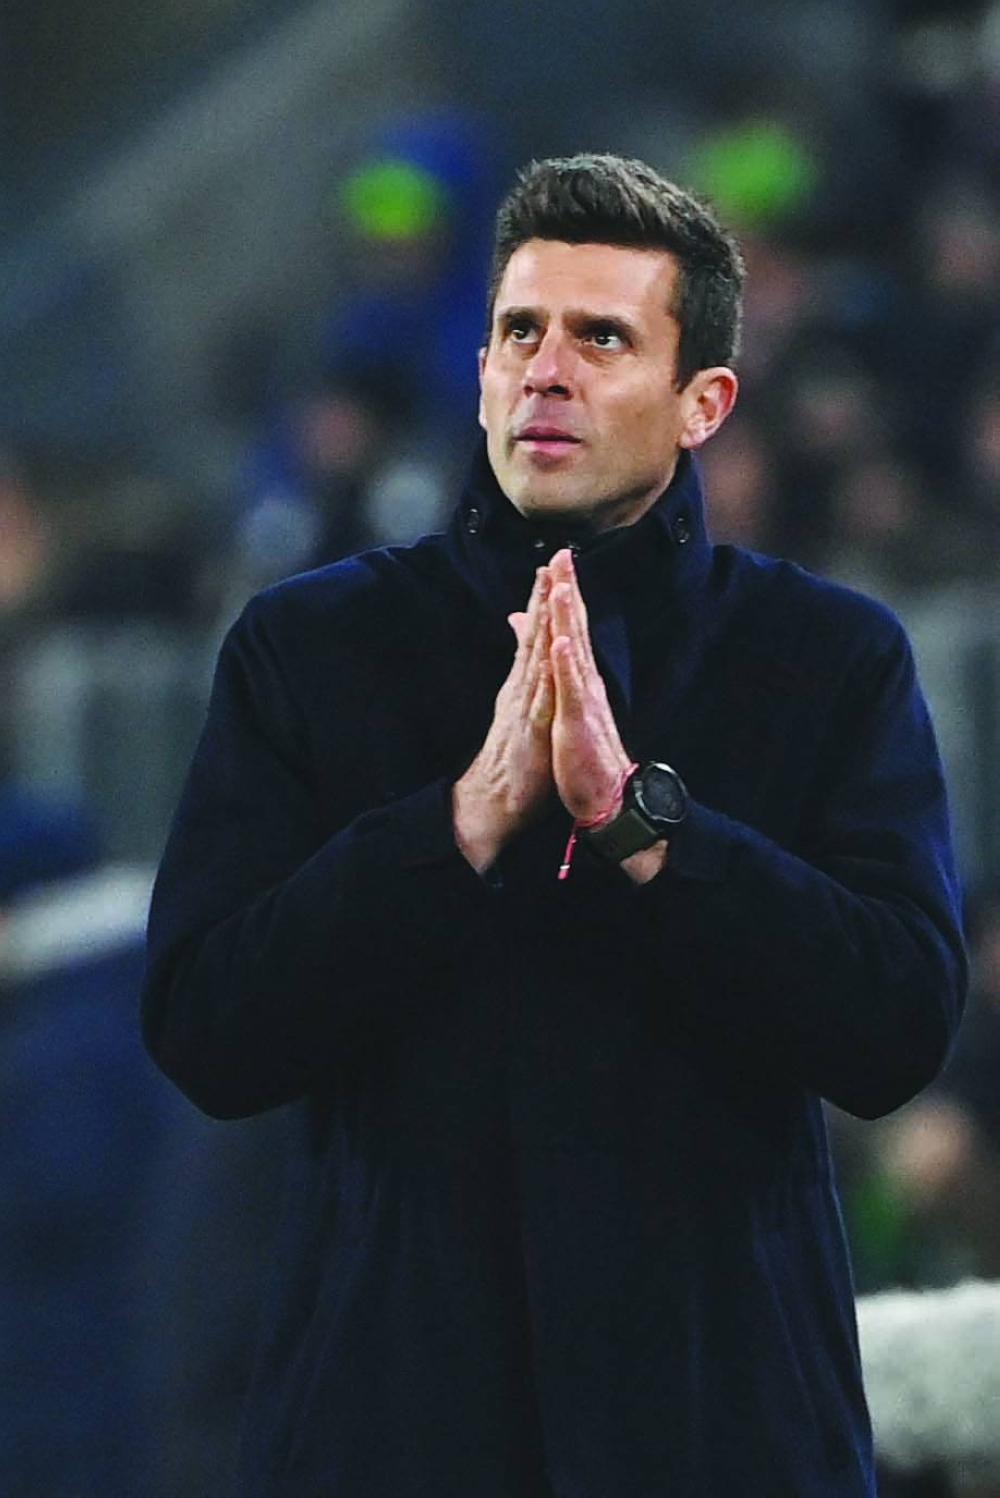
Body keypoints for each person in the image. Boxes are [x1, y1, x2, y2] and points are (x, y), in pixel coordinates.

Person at [142, 154, 967, 1497]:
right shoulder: (310, 648)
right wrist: (451, 829)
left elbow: (896, 1027)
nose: (546, 369)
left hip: (724, 1430)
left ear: (704, 402)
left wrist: (647, 824)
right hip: (395, 1433)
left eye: (601, 337)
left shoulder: (828, 659)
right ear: (477, 373)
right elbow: (206, 1025)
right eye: (520, 330)